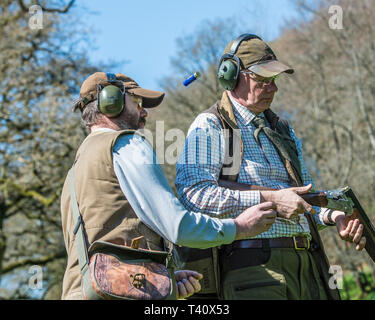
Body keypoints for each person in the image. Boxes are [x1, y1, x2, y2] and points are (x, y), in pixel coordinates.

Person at [175, 34, 366, 300]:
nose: (273, 88)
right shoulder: (210, 125)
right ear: (231, 76)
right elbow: (193, 195)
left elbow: (305, 198)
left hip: (309, 266)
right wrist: (271, 200)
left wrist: (336, 217)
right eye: (263, 80)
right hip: (253, 268)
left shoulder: (283, 129)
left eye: (273, 80)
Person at [60, 71, 278, 300]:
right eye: (137, 102)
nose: (144, 112)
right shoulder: (127, 143)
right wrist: (239, 227)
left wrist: (160, 277)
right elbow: (177, 226)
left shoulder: (75, 172)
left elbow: (104, 252)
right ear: (111, 100)